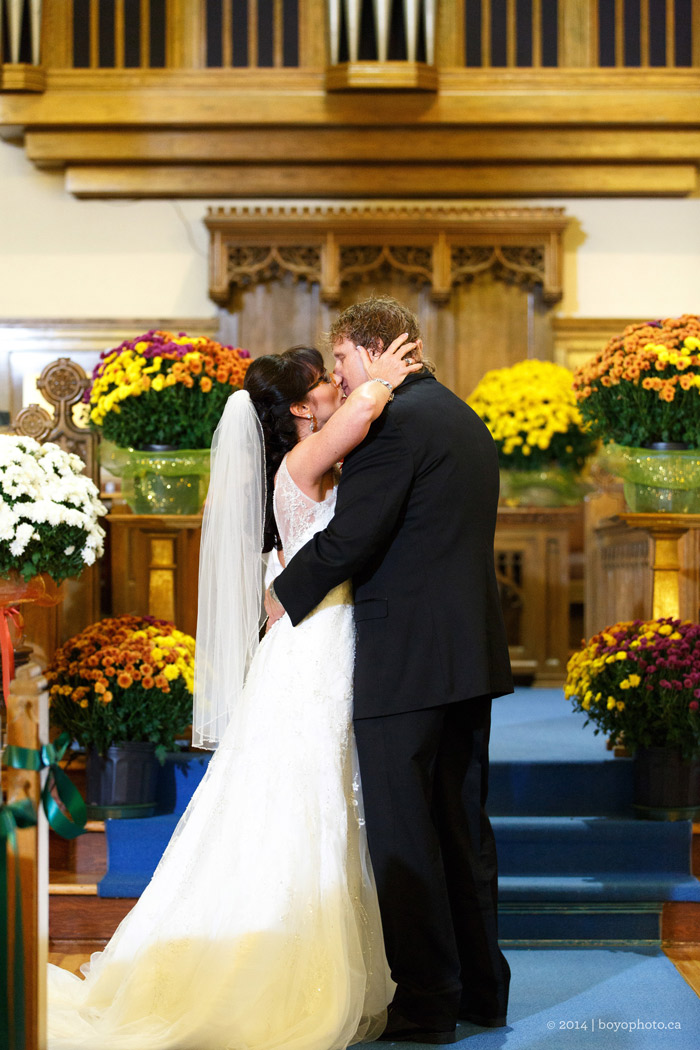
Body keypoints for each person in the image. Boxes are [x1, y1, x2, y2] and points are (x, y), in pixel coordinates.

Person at [46, 338, 420, 1050]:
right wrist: (385, 375)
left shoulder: (303, 461)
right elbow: (365, 406)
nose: (339, 389)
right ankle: (277, 970)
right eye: (326, 384)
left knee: (316, 797)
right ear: (301, 407)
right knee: (305, 798)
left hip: (317, 639)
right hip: (315, 644)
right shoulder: (303, 462)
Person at [266, 296, 514, 1044]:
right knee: (461, 829)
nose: (339, 379)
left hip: (405, 659)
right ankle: (483, 989)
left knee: (405, 836)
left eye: (341, 359)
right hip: (466, 657)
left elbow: (352, 540)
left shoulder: (396, 426)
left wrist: (280, 598)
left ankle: (428, 1001)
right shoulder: (462, 416)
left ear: (373, 349)